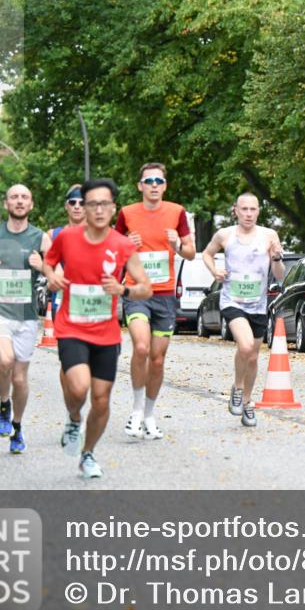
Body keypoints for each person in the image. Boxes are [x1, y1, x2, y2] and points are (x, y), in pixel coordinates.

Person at [44, 178, 152, 478]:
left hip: (106, 333)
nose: (99, 209)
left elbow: (146, 288)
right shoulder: (66, 238)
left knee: (102, 399)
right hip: (72, 327)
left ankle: (87, 453)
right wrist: (52, 276)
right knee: (78, 388)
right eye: (92, 204)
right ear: (85, 207)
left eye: (105, 204)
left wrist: (122, 290)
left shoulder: (122, 245)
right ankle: (74, 418)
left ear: (113, 207)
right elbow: (48, 263)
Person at [114, 163, 195, 440]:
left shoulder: (177, 212)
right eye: (148, 180)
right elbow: (112, 249)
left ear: (164, 185)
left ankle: (149, 414)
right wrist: (126, 242)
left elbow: (191, 252)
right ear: (140, 186)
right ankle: (136, 411)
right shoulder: (126, 214)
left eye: (158, 180)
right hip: (136, 291)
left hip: (164, 295)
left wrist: (176, 245)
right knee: (140, 345)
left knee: (157, 360)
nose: (153, 185)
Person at [0, 184, 51, 454]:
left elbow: (56, 273)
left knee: (20, 378)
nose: (19, 201)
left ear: (31, 204)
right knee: (4, 359)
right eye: (14, 197)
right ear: (6, 204)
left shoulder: (40, 238)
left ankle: (17, 426)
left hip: (26, 316)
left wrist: (43, 267)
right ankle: (3, 404)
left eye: (24, 197)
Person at [202, 192, 285, 427]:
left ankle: (247, 403)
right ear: (235, 210)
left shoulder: (269, 236)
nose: (248, 214)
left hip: (258, 304)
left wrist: (277, 259)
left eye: (253, 209)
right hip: (232, 301)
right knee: (246, 346)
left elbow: (279, 276)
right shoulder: (225, 235)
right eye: (244, 209)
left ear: (258, 211)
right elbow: (207, 254)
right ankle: (237, 387)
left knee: (254, 356)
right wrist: (214, 271)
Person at [47, 184, 87, 319]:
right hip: (61, 302)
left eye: (82, 203)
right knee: (65, 341)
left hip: (90, 302)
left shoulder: (100, 235)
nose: (77, 206)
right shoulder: (53, 235)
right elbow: (46, 267)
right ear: (66, 206)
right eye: (72, 202)